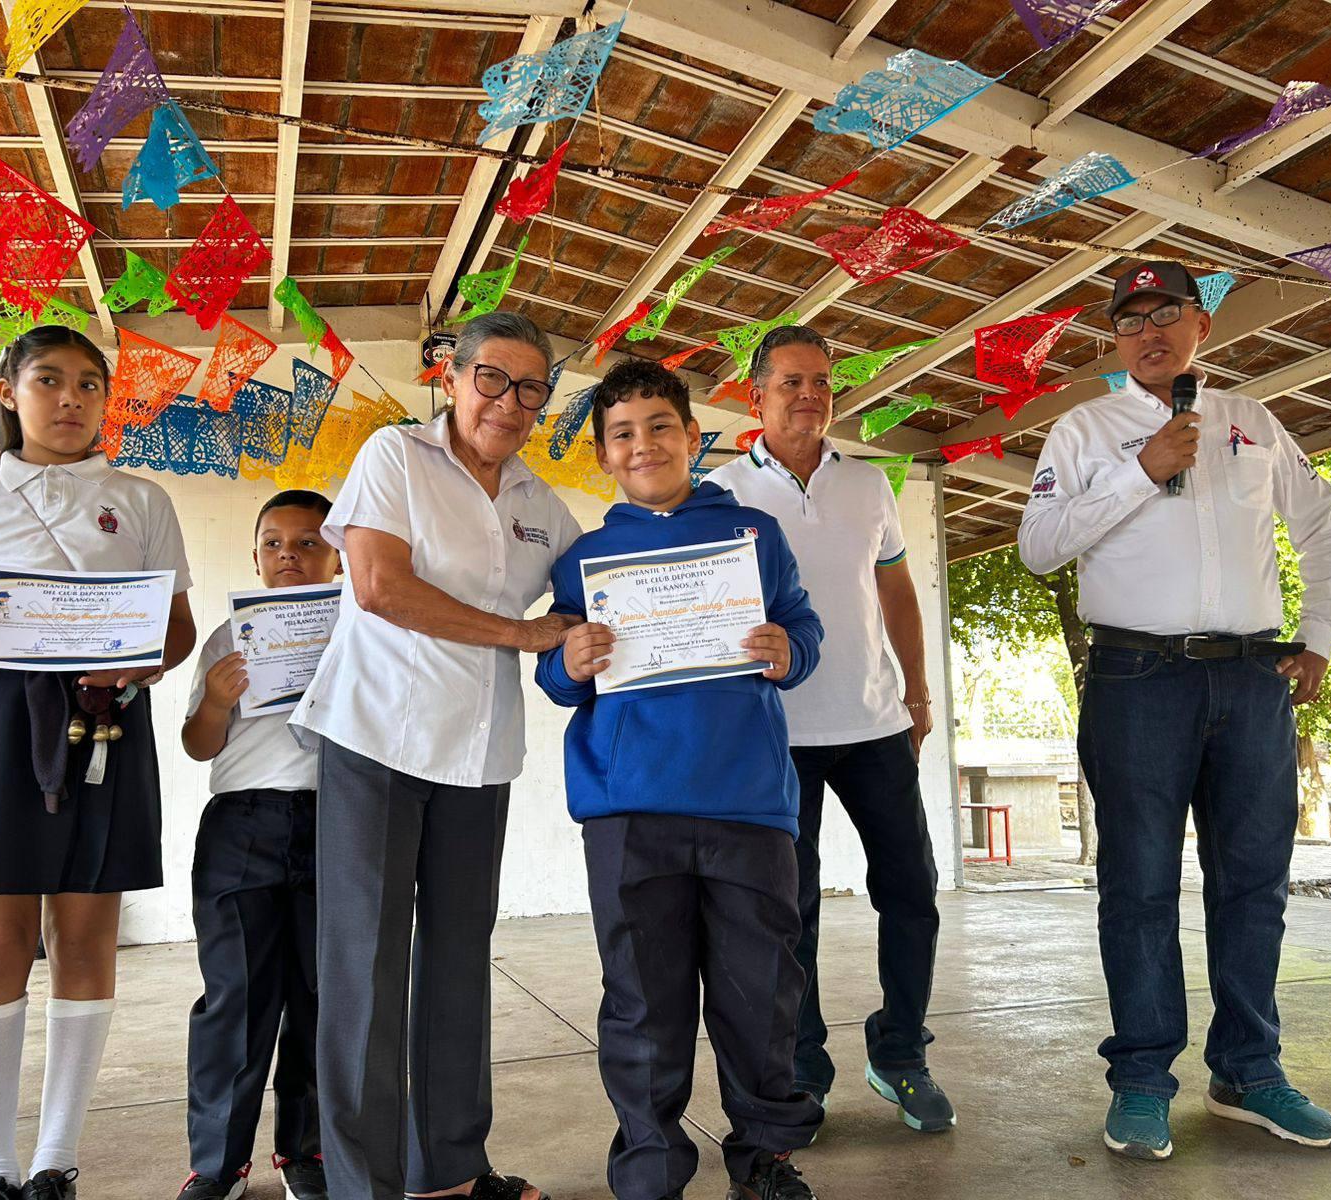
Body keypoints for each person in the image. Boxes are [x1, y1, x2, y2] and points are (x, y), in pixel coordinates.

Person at [1017, 261, 1331, 1161]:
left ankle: (1250, 1071)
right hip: (1136, 678)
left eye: (1167, 313)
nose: (1150, 331)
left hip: (1252, 678)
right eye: (1132, 320)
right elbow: (1039, 548)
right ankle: (1140, 1081)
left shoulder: (1252, 422)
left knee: (1254, 882)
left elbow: (1324, 528)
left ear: (1201, 325)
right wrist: (1139, 470)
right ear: (1116, 339)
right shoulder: (1087, 429)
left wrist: (1319, 633)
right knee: (1136, 885)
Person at [0, 326, 197, 1200]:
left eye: (90, 385)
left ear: (107, 401)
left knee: (85, 936)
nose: (70, 398)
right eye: (49, 380)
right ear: (7, 392)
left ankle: (55, 1160)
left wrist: (140, 660)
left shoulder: (140, 501)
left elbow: (174, 629)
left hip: (102, 720)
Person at [290, 312, 580, 1200]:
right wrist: (520, 633)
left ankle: (449, 1170)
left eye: (532, 388)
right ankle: (364, 1186)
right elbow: (378, 585)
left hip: (479, 752)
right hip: (377, 737)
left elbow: (598, 596)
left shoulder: (541, 506)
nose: (510, 401)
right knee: (365, 969)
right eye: (492, 378)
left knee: (458, 962)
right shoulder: (395, 458)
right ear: (448, 379)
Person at [534, 359, 825, 1200]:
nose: (644, 444)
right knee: (640, 1000)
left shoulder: (756, 537)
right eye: (623, 432)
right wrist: (569, 662)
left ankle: (764, 1158)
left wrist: (789, 648)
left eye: (661, 426)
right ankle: (650, 1165)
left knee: (760, 993)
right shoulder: (585, 559)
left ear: (694, 439)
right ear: (602, 455)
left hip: (747, 804)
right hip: (628, 810)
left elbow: (802, 626)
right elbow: (555, 676)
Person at [708, 326, 951, 1134]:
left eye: (821, 382)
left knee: (912, 891)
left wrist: (917, 692)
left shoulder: (868, 486)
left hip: (876, 723)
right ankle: (802, 1069)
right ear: (757, 396)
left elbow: (898, 594)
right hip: (775, 734)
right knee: (791, 911)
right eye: (790, 383)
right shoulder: (721, 492)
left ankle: (902, 1052)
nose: (809, 396)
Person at [177, 491, 341, 1200]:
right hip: (242, 825)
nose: (289, 556)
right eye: (273, 544)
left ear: (340, 553)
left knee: (321, 996)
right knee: (236, 999)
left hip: (341, 821)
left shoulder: (367, 630)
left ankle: (305, 1151)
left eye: (309, 543)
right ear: (254, 557)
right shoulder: (226, 636)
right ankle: (216, 1166)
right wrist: (216, 700)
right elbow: (196, 744)